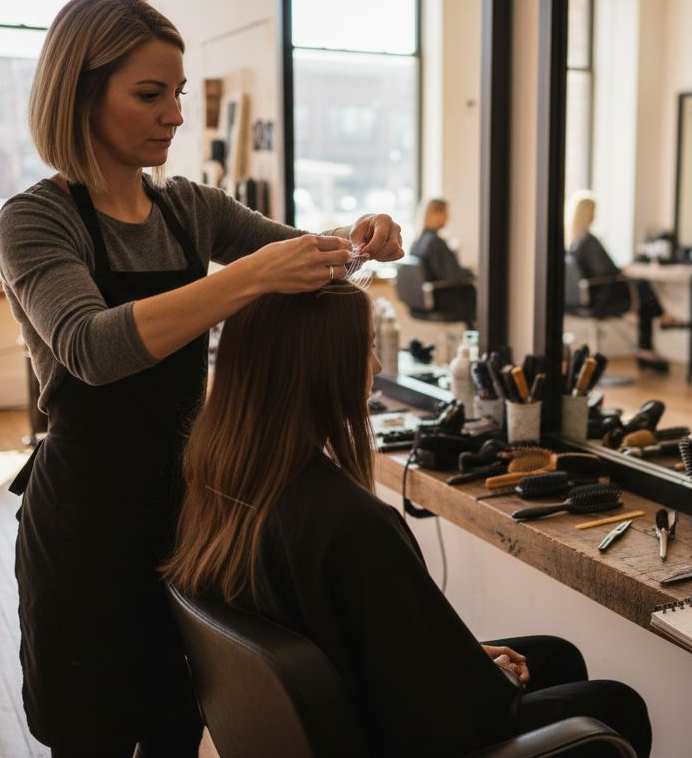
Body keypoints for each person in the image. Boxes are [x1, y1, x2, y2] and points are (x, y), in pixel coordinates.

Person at [0, 0, 404, 756]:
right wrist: (248, 277)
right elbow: (91, 348)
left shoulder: (188, 209)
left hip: (190, 513)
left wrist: (360, 238)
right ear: (80, 91)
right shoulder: (34, 219)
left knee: (177, 722)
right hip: (85, 522)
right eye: (150, 94)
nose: (174, 115)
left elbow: (309, 261)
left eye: (178, 93)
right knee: (92, 732)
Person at [163, 280, 652, 758]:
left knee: (556, 656)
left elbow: (370, 640)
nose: (375, 366)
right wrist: (486, 678)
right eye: (366, 349)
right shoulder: (354, 524)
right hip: (401, 736)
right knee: (615, 707)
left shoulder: (220, 476)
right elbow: (449, 717)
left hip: (349, 704)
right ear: (317, 369)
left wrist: (457, 656)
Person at [567, 191, 679, 372]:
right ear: (588, 213)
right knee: (642, 286)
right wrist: (622, 272)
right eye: (593, 211)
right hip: (602, 297)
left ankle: (647, 345)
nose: (595, 215)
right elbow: (607, 271)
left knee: (642, 292)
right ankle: (654, 333)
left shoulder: (576, 241)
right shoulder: (589, 240)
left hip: (589, 298)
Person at [410, 197, 476, 324]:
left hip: (430, 300)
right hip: (446, 301)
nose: (448, 218)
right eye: (446, 213)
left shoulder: (418, 242)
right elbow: (453, 275)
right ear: (437, 214)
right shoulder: (435, 243)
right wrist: (472, 273)